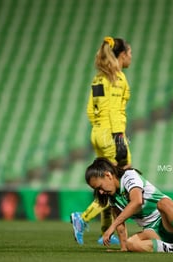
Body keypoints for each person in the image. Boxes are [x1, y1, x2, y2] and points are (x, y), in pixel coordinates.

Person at [70, 36, 132, 245]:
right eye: (129, 53)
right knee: (117, 181)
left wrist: (99, 128)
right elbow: (114, 111)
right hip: (111, 135)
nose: (131, 57)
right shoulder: (117, 78)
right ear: (122, 55)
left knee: (107, 181)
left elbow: (90, 109)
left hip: (97, 132)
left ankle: (106, 232)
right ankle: (83, 217)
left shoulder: (98, 78)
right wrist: (119, 140)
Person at [84, 157, 173, 253]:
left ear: (108, 175)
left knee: (163, 202)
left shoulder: (129, 176)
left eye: (100, 187)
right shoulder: (111, 195)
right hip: (153, 231)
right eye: (97, 190)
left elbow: (137, 202)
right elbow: (120, 225)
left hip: (171, 219)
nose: (100, 192)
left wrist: (111, 227)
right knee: (131, 244)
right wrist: (123, 247)